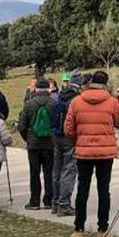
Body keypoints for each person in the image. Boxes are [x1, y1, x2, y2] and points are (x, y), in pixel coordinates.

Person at [65, 70, 119, 237]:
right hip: (105, 152)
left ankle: (79, 230)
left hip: (84, 152)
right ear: (105, 83)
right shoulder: (112, 102)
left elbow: (68, 128)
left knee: (82, 189)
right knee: (103, 190)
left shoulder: (77, 101)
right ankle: (102, 230)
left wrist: (79, 139)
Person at [17, 79, 56, 211]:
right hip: (50, 143)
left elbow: (22, 126)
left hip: (33, 144)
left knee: (34, 173)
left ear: (36, 89)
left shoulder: (29, 104)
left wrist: (28, 138)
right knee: (49, 172)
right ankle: (49, 200)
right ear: (48, 89)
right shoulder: (53, 103)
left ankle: (34, 201)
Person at [51, 73, 81, 216]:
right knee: (69, 170)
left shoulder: (59, 96)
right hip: (69, 138)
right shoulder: (76, 100)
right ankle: (64, 204)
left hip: (57, 137)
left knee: (57, 170)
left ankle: (55, 202)